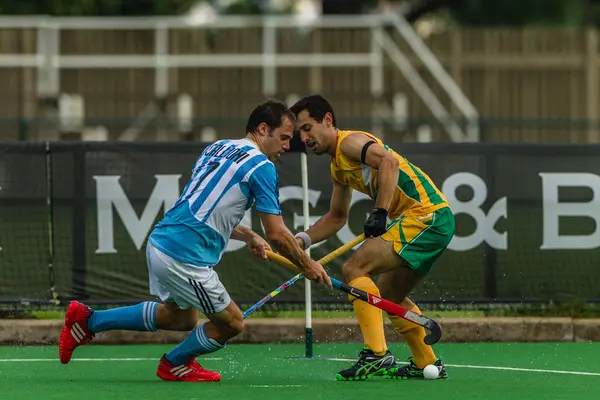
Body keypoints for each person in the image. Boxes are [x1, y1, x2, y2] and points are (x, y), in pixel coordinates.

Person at [58, 99, 331, 382]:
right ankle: (174, 363)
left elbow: (204, 206)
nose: (287, 146)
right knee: (232, 323)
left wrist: (248, 234)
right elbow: (277, 233)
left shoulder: (218, 147)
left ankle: (88, 320)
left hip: (161, 241)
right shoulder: (262, 166)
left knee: (180, 319)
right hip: (184, 257)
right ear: (263, 129)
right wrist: (306, 265)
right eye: (284, 137)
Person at [289, 94, 454, 381]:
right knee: (389, 295)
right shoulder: (338, 166)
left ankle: (377, 354)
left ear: (328, 120)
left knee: (354, 268)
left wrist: (380, 211)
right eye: (299, 133)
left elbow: (388, 162)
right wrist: (302, 239)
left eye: (307, 128)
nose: (304, 138)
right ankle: (426, 362)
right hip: (429, 220)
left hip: (426, 216)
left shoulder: (350, 143)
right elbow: (337, 217)